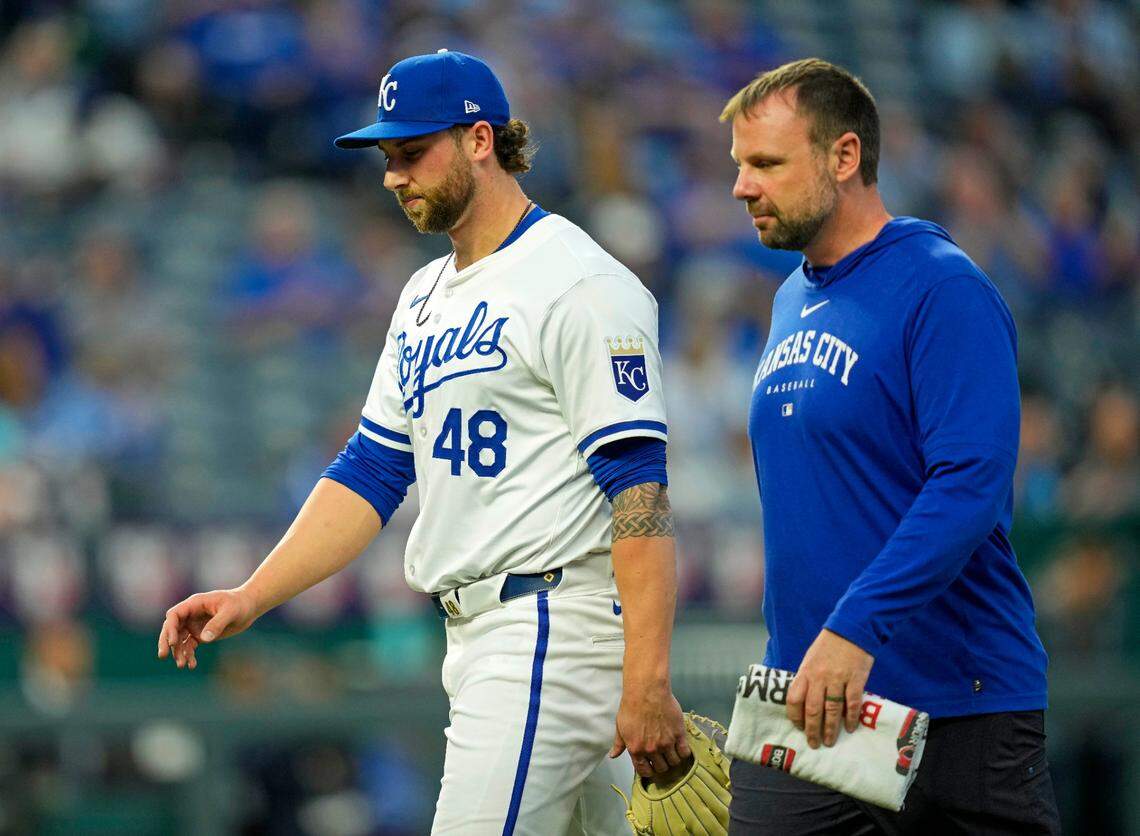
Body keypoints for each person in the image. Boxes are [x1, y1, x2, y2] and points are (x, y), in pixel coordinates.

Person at [158, 50, 691, 835]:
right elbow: (372, 471)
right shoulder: (423, 295)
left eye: (412, 153)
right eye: (387, 157)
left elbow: (639, 487)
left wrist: (647, 678)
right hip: (486, 639)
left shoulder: (579, 282)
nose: (392, 175)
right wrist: (252, 595)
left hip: (549, 630)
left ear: (481, 140)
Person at [721, 58, 1061, 834]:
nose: (742, 187)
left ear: (844, 157)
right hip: (812, 704)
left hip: (958, 707)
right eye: (739, 165)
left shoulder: (942, 287)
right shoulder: (790, 297)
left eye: (766, 163)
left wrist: (854, 628)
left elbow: (972, 481)